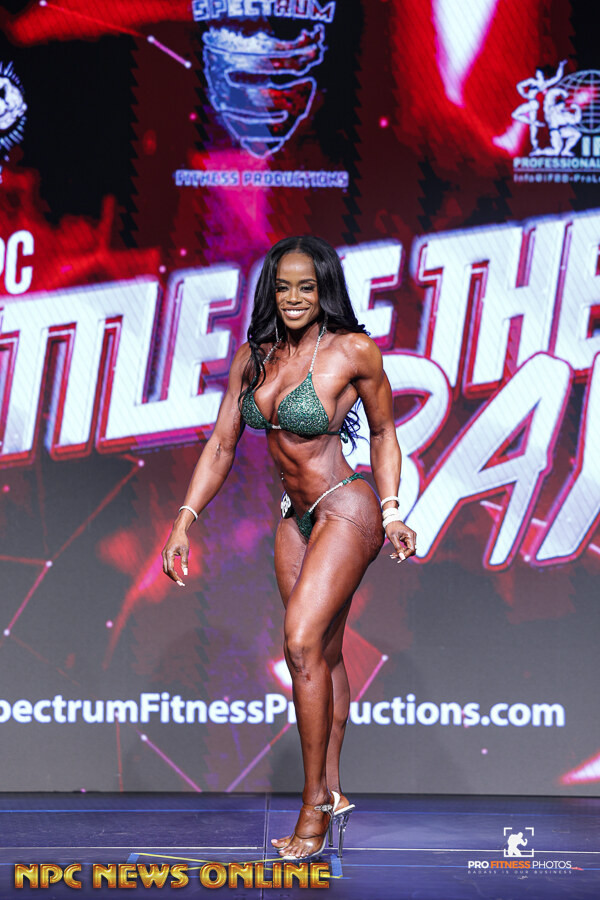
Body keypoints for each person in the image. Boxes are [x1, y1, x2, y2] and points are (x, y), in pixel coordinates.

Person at [161, 235, 416, 860]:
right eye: (284, 286)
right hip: (293, 517)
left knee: (300, 643)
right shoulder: (255, 358)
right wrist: (184, 521)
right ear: (270, 292)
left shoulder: (352, 351)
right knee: (322, 654)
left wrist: (392, 511)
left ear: (324, 289)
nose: (295, 297)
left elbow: (384, 432)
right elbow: (221, 445)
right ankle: (334, 788)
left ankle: (313, 808)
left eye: (307, 286)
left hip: (346, 506)